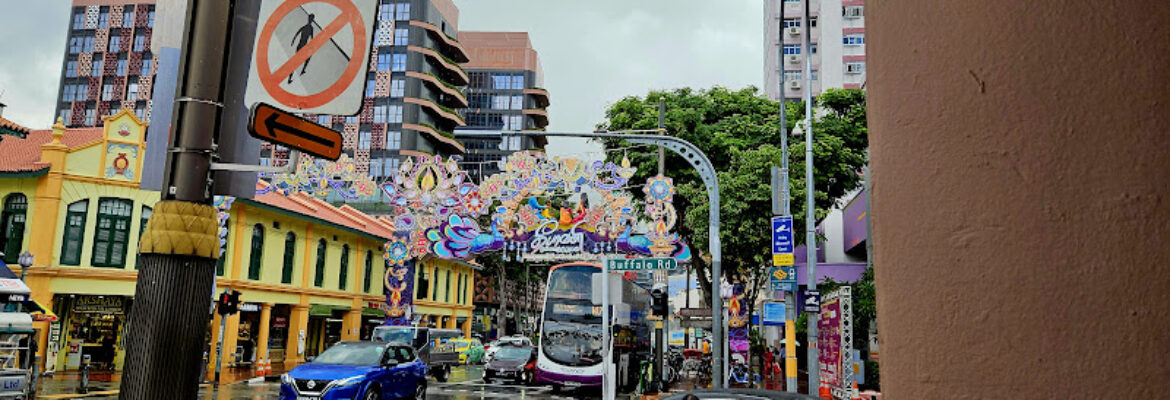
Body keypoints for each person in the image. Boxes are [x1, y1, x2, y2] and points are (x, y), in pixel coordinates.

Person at [288, 13, 317, 84]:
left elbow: (297, 33)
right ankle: (299, 72)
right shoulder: (310, 28)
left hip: (300, 45)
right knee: (300, 61)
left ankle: (291, 77)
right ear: (312, 20)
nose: (311, 20)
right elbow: (312, 38)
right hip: (303, 46)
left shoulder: (305, 27)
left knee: (299, 61)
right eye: (311, 19)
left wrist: (293, 41)